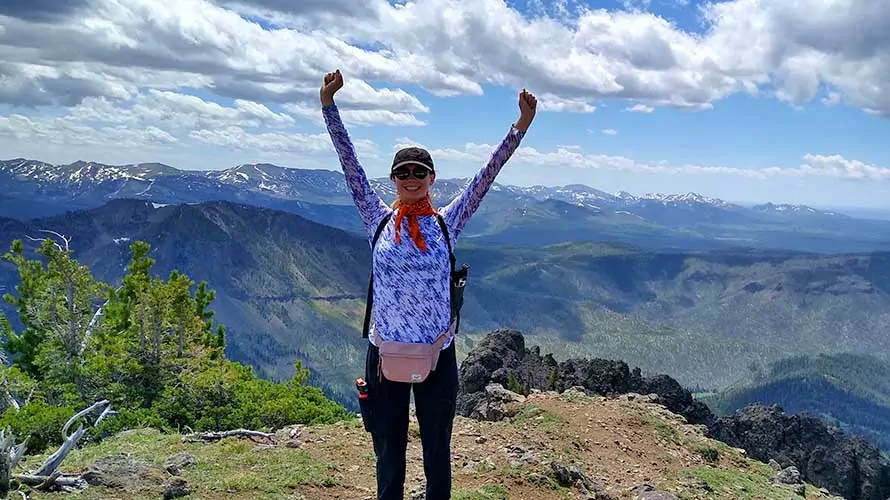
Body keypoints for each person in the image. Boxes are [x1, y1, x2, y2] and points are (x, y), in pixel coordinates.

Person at [320, 68, 536, 500]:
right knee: (389, 453)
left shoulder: (446, 222)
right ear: (394, 180)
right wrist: (329, 106)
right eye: (403, 172)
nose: (411, 178)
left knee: (438, 450)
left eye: (420, 171)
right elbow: (350, 165)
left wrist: (520, 128)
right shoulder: (376, 218)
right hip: (385, 354)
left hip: (437, 353)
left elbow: (484, 177)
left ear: (432, 178)